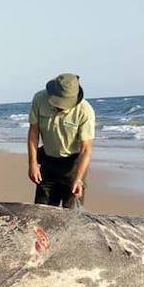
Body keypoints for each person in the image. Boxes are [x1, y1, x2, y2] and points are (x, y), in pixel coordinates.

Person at [27, 73, 95, 208]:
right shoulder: (39, 99)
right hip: (48, 160)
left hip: (73, 164)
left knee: (70, 213)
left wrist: (79, 179)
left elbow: (86, 149)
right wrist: (33, 164)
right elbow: (33, 132)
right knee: (41, 210)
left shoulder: (85, 111)